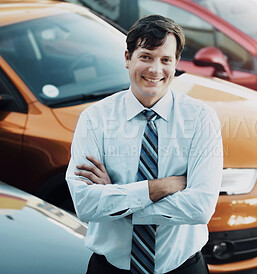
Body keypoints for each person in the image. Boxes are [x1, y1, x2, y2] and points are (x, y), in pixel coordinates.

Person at [66, 15, 223, 274]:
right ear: (127, 58)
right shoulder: (95, 119)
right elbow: (85, 204)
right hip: (110, 270)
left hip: (183, 268)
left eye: (165, 60)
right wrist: (159, 187)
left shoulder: (200, 119)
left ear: (176, 63)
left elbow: (200, 207)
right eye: (146, 56)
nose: (155, 70)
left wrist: (119, 200)